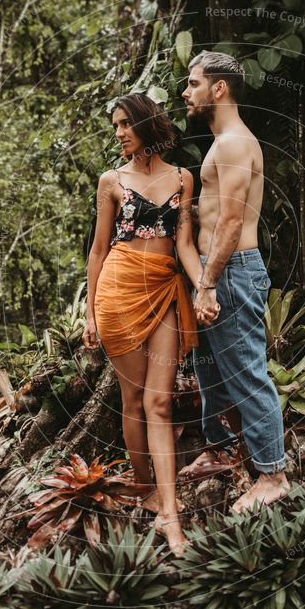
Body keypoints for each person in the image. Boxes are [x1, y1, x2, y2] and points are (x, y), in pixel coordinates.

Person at [83, 93, 203, 556]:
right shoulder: (111, 180)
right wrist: (90, 312)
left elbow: (185, 242)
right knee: (133, 398)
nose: (117, 133)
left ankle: (170, 515)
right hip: (118, 290)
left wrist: (204, 288)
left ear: (145, 123)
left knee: (160, 402)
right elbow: (97, 251)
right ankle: (146, 489)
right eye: (114, 126)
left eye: (123, 124)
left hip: (166, 289)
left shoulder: (182, 178)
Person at [179, 50, 290, 513]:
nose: (186, 93)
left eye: (193, 83)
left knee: (245, 369)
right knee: (210, 369)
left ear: (218, 88)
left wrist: (207, 284)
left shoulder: (234, 144)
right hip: (213, 271)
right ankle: (221, 449)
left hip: (229, 272)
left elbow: (229, 222)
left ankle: (273, 475)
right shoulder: (222, 141)